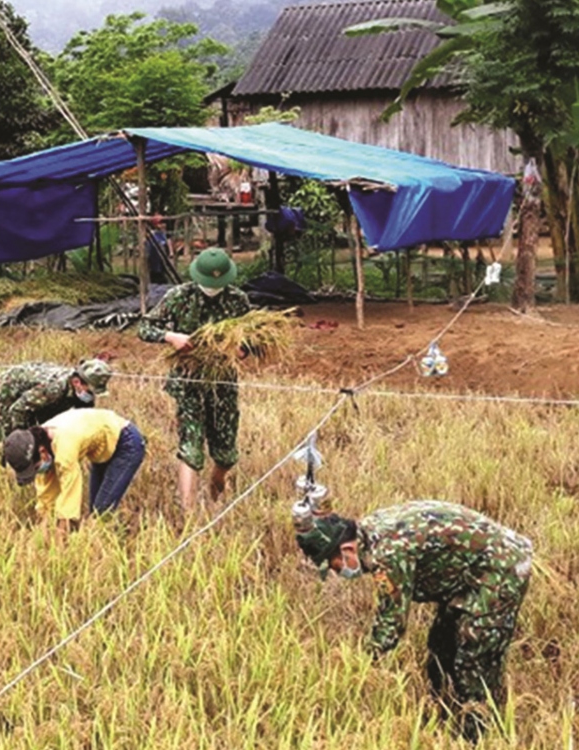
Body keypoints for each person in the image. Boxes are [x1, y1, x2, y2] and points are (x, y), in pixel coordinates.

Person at [294, 500, 533, 741]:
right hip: (467, 574)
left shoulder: (387, 555)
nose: (338, 573)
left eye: (334, 567)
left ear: (346, 550)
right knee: (440, 647)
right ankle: (441, 711)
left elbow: (392, 623)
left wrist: (360, 667)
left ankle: (476, 736)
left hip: (500, 570)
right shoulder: (369, 529)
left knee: (474, 660)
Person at [138, 247, 250, 515]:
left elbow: (253, 338)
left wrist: (241, 349)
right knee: (192, 444)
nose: (212, 289)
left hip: (222, 382)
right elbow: (144, 328)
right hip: (187, 382)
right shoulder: (179, 297)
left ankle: (217, 486)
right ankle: (188, 513)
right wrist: (170, 337)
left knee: (225, 451)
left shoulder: (238, 301)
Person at [1, 408, 145, 537]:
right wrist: (42, 531)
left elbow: (70, 495)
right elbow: (46, 495)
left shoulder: (64, 446)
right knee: (95, 511)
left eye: (36, 467)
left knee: (101, 513)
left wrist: (59, 538)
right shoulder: (40, 440)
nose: (38, 471)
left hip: (127, 443)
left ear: (42, 452)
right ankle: (111, 537)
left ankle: (116, 544)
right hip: (102, 449)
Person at [0, 359, 113, 441]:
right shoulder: (54, 389)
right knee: (2, 436)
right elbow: (18, 409)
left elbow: (81, 416)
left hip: (35, 393)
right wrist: (22, 438)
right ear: (76, 382)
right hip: (7, 390)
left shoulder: (76, 389)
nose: (91, 395)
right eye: (90, 391)